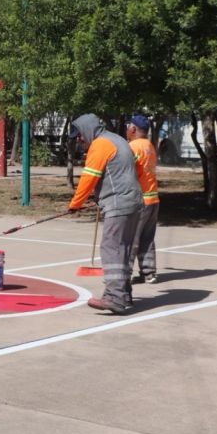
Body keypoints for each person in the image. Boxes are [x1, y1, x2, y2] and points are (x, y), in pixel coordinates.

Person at [68, 113, 144, 314]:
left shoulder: (100, 144)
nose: (79, 139)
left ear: (87, 130)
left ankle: (114, 298)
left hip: (119, 204)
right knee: (123, 249)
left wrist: (75, 205)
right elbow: (127, 170)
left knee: (111, 248)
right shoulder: (118, 139)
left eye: (79, 134)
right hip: (134, 202)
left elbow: (89, 177)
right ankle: (124, 295)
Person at [126, 114, 160, 284]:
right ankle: (149, 272)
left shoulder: (132, 147)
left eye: (127, 126)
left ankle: (124, 275)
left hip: (139, 200)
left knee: (130, 238)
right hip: (153, 198)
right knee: (147, 237)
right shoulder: (149, 145)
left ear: (133, 129)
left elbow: (125, 171)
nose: (126, 130)